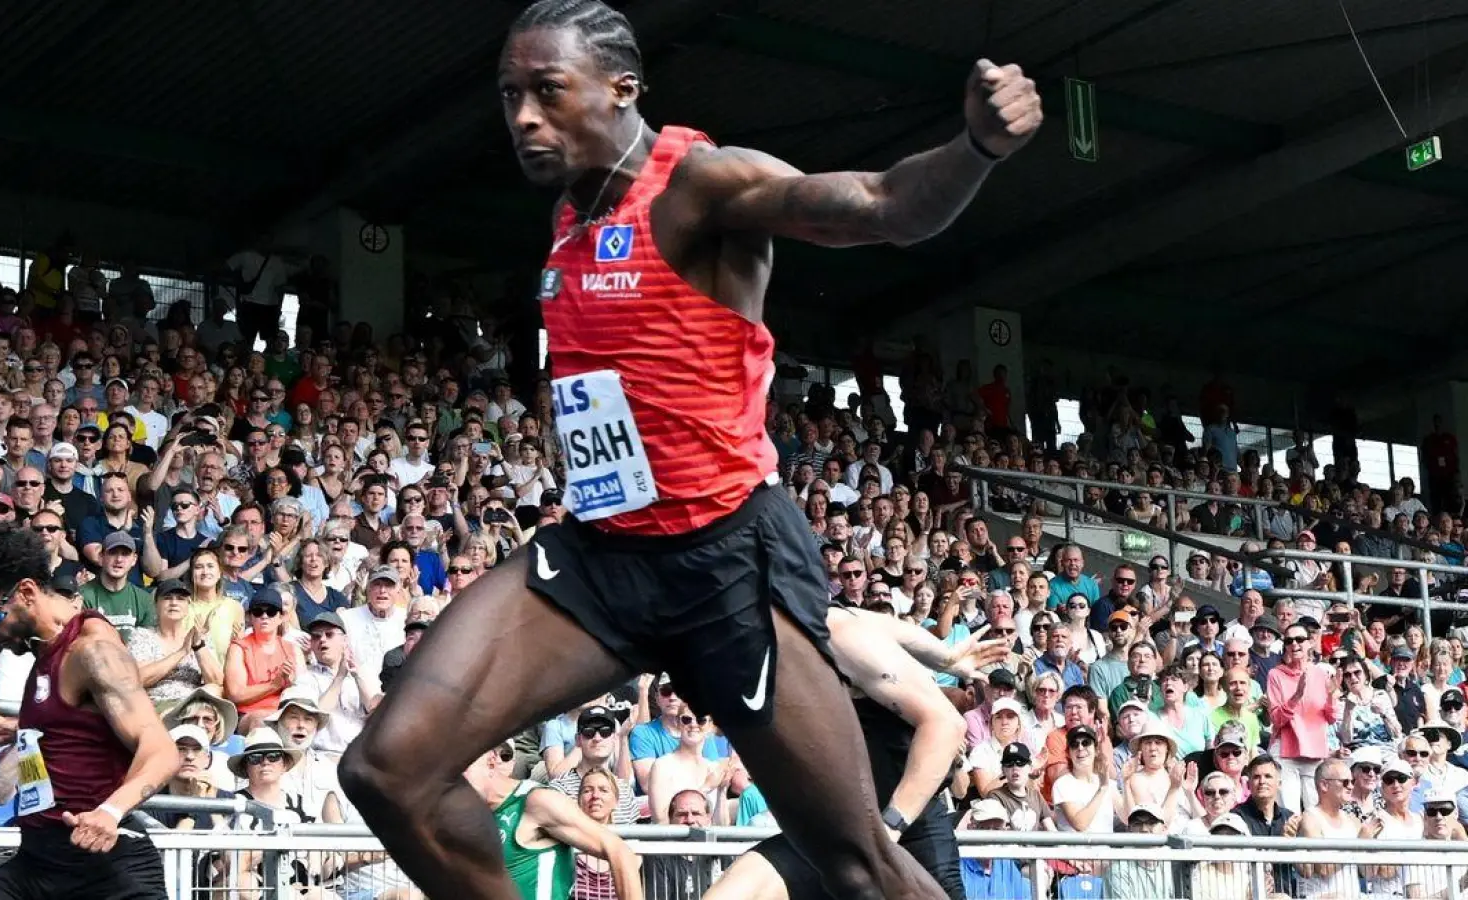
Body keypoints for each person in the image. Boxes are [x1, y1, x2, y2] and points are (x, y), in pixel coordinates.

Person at [338, 4, 1042, 900]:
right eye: (510, 95)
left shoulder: (702, 187)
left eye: (548, 92)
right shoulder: (568, 216)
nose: (522, 117)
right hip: (600, 556)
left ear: (623, 89)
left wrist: (974, 149)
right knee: (386, 771)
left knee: (854, 861)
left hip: (726, 564)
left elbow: (883, 206)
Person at [0, 522, 180, 899]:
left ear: (26, 593)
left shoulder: (91, 652)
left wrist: (111, 812)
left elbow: (162, 750)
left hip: (106, 869)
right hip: (38, 863)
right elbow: (81, 724)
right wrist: (15, 730)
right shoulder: (41, 651)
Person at [701, 607, 1004, 900]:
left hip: (906, 827)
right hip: (832, 828)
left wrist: (889, 828)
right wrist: (944, 656)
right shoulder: (746, 656)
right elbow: (885, 625)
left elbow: (947, 725)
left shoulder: (836, 633)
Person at [464, 742, 644, 900]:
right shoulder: (470, 818)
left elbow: (619, 851)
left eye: (460, 770)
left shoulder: (536, 801)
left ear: (491, 760)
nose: (451, 783)